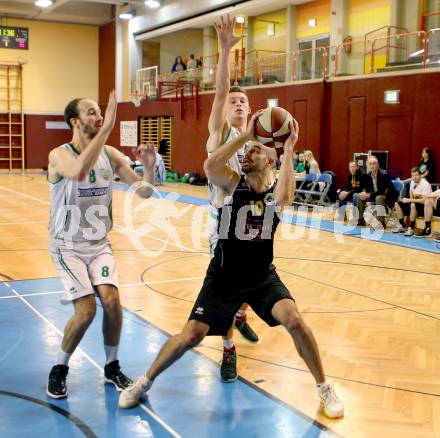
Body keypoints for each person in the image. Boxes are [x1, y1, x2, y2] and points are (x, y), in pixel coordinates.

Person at [119, 115, 344, 419]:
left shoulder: (275, 187)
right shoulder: (231, 183)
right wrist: (245, 136)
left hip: (262, 277)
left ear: (269, 160)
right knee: (191, 336)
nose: (247, 153)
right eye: (245, 150)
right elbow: (210, 167)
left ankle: (324, 387)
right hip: (223, 278)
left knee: (294, 320)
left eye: (255, 150)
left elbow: (286, 197)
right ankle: (143, 382)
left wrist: (289, 148)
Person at [46, 91, 156, 398]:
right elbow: (79, 171)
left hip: (98, 245)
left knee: (112, 302)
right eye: (92, 113)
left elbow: (144, 191)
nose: (98, 117)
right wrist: (106, 127)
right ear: (75, 121)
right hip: (67, 246)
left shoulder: (111, 154)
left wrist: (148, 167)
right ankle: (59, 368)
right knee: (86, 311)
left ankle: (112, 366)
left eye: (99, 112)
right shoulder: (60, 155)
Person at [203, 15, 259, 382]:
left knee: (252, 280)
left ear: (250, 111)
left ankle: (241, 313)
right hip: (221, 225)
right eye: (233, 100)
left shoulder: (256, 145)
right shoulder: (220, 132)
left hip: (252, 225)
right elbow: (221, 90)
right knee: (225, 290)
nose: (237, 103)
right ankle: (228, 349)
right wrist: (225, 51)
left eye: (243, 101)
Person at [353, 156, 397, 226]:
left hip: (387, 197)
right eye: (370, 164)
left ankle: (381, 222)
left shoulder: (383, 175)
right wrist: (364, 193)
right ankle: (361, 220)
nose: (372, 165)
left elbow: (382, 191)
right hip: (374, 195)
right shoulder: (368, 175)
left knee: (379, 197)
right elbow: (368, 189)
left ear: (378, 165)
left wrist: (369, 195)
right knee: (358, 196)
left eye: (374, 163)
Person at [392, 167, 432, 236]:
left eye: (416, 175)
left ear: (420, 175)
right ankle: (403, 226)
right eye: (412, 175)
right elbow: (411, 196)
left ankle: (411, 228)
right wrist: (407, 200)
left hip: (424, 207)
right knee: (397, 204)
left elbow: (424, 200)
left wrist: (410, 200)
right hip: (414, 204)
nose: (414, 177)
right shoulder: (412, 183)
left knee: (413, 204)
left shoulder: (425, 184)